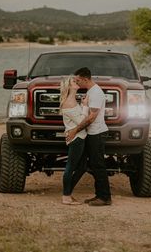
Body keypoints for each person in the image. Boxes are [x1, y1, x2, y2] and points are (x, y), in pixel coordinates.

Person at [66, 67, 112, 206]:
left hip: (97, 133)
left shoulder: (96, 93)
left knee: (98, 165)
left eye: (78, 80)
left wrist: (75, 130)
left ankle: (104, 198)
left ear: (85, 79)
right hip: (91, 133)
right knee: (88, 164)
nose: (77, 82)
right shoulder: (91, 92)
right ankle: (95, 195)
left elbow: (92, 118)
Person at [60, 75, 89, 205]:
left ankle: (68, 193)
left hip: (80, 137)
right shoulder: (69, 102)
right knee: (70, 166)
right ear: (69, 86)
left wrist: (82, 105)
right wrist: (85, 106)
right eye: (73, 81)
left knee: (82, 167)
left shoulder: (73, 101)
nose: (76, 81)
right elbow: (82, 121)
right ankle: (66, 196)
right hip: (76, 138)